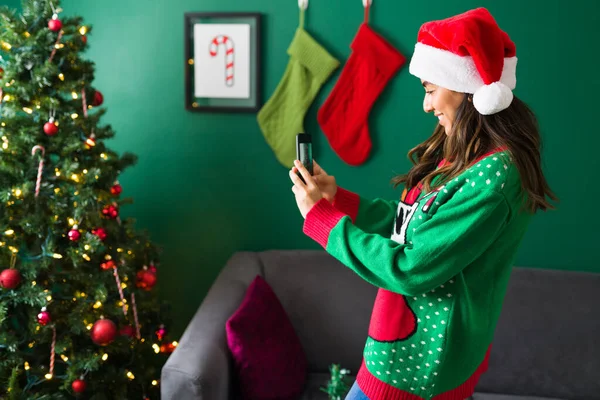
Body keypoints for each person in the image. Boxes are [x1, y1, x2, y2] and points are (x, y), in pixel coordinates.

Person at [288, 7, 557, 400]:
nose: (427, 106)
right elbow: (415, 226)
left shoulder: (494, 179)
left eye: (430, 90)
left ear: (466, 88)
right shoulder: (470, 159)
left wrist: (322, 220)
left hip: (416, 370)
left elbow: (410, 267)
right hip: (405, 358)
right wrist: (338, 200)